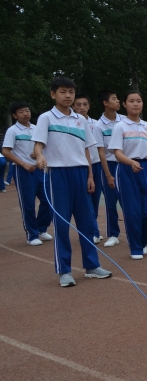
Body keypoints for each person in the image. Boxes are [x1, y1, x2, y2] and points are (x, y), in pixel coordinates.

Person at [32, 76, 113, 287]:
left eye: (71, 92)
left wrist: (90, 175)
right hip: (58, 174)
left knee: (87, 222)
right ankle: (64, 270)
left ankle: (92, 266)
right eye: (63, 92)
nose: (68, 96)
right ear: (53, 94)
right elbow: (38, 145)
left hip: (81, 173)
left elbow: (86, 149)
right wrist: (39, 156)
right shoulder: (46, 118)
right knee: (61, 224)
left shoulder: (81, 120)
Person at [109, 90, 147, 260]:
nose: (135, 104)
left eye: (139, 101)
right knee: (132, 211)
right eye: (131, 101)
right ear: (125, 104)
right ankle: (135, 247)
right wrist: (130, 162)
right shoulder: (120, 126)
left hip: (145, 169)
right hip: (126, 169)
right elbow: (117, 153)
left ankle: (142, 240)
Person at [2, 101, 52, 244]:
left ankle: (41, 228)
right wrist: (23, 163)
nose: (25, 114)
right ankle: (32, 235)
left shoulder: (37, 128)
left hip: (40, 169)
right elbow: (5, 151)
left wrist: (38, 153)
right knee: (28, 204)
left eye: (27, 110)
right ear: (14, 115)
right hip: (23, 171)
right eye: (21, 112)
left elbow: (43, 145)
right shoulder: (13, 131)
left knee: (48, 200)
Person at [71, 94, 104, 244]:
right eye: (78, 105)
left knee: (95, 200)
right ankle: (93, 232)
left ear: (89, 106)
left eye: (85, 104)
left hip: (97, 165)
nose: (82, 107)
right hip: (82, 166)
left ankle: (92, 229)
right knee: (86, 201)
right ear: (73, 106)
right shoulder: (72, 125)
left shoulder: (96, 124)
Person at [95, 90, 124, 247]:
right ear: (105, 103)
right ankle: (113, 234)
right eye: (114, 98)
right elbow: (101, 152)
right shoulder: (98, 126)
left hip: (125, 164)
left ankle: (137, 232)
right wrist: (107, 175)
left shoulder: (125, 120)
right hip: (109, 165)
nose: (118, 101)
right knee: (111, 202)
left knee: (130, 201)